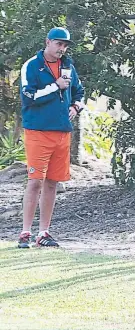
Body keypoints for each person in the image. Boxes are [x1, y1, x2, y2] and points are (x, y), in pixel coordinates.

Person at [18, 27, 85, 248]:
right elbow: (29, 96)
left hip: (62, 131)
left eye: (65, 45)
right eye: (58, 44)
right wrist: (55, 86)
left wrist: (76, 107)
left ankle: (43, 233)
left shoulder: (68, 66)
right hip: (38, 131)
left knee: (52, 183)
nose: (62, 49)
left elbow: (80, 92)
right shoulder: (31, 65)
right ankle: (25, 233)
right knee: (35, 181)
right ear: (47, 42)